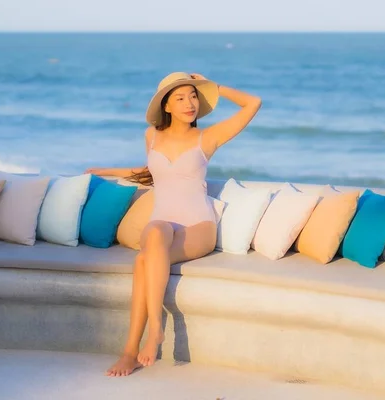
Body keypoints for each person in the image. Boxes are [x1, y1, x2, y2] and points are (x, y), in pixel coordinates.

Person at [85, 71, 262, 377]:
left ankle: (144, 340)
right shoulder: (151, 136)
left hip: (197, 227)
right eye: (180, 97)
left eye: (194, 96)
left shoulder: (208, 137)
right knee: (151, 236)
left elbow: (253, 103)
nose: (189, 103)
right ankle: (147, 337)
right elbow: (153, 171)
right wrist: (107, 170)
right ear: (166, 106)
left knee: (145, 259)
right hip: (163, 228)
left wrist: (214, 86)